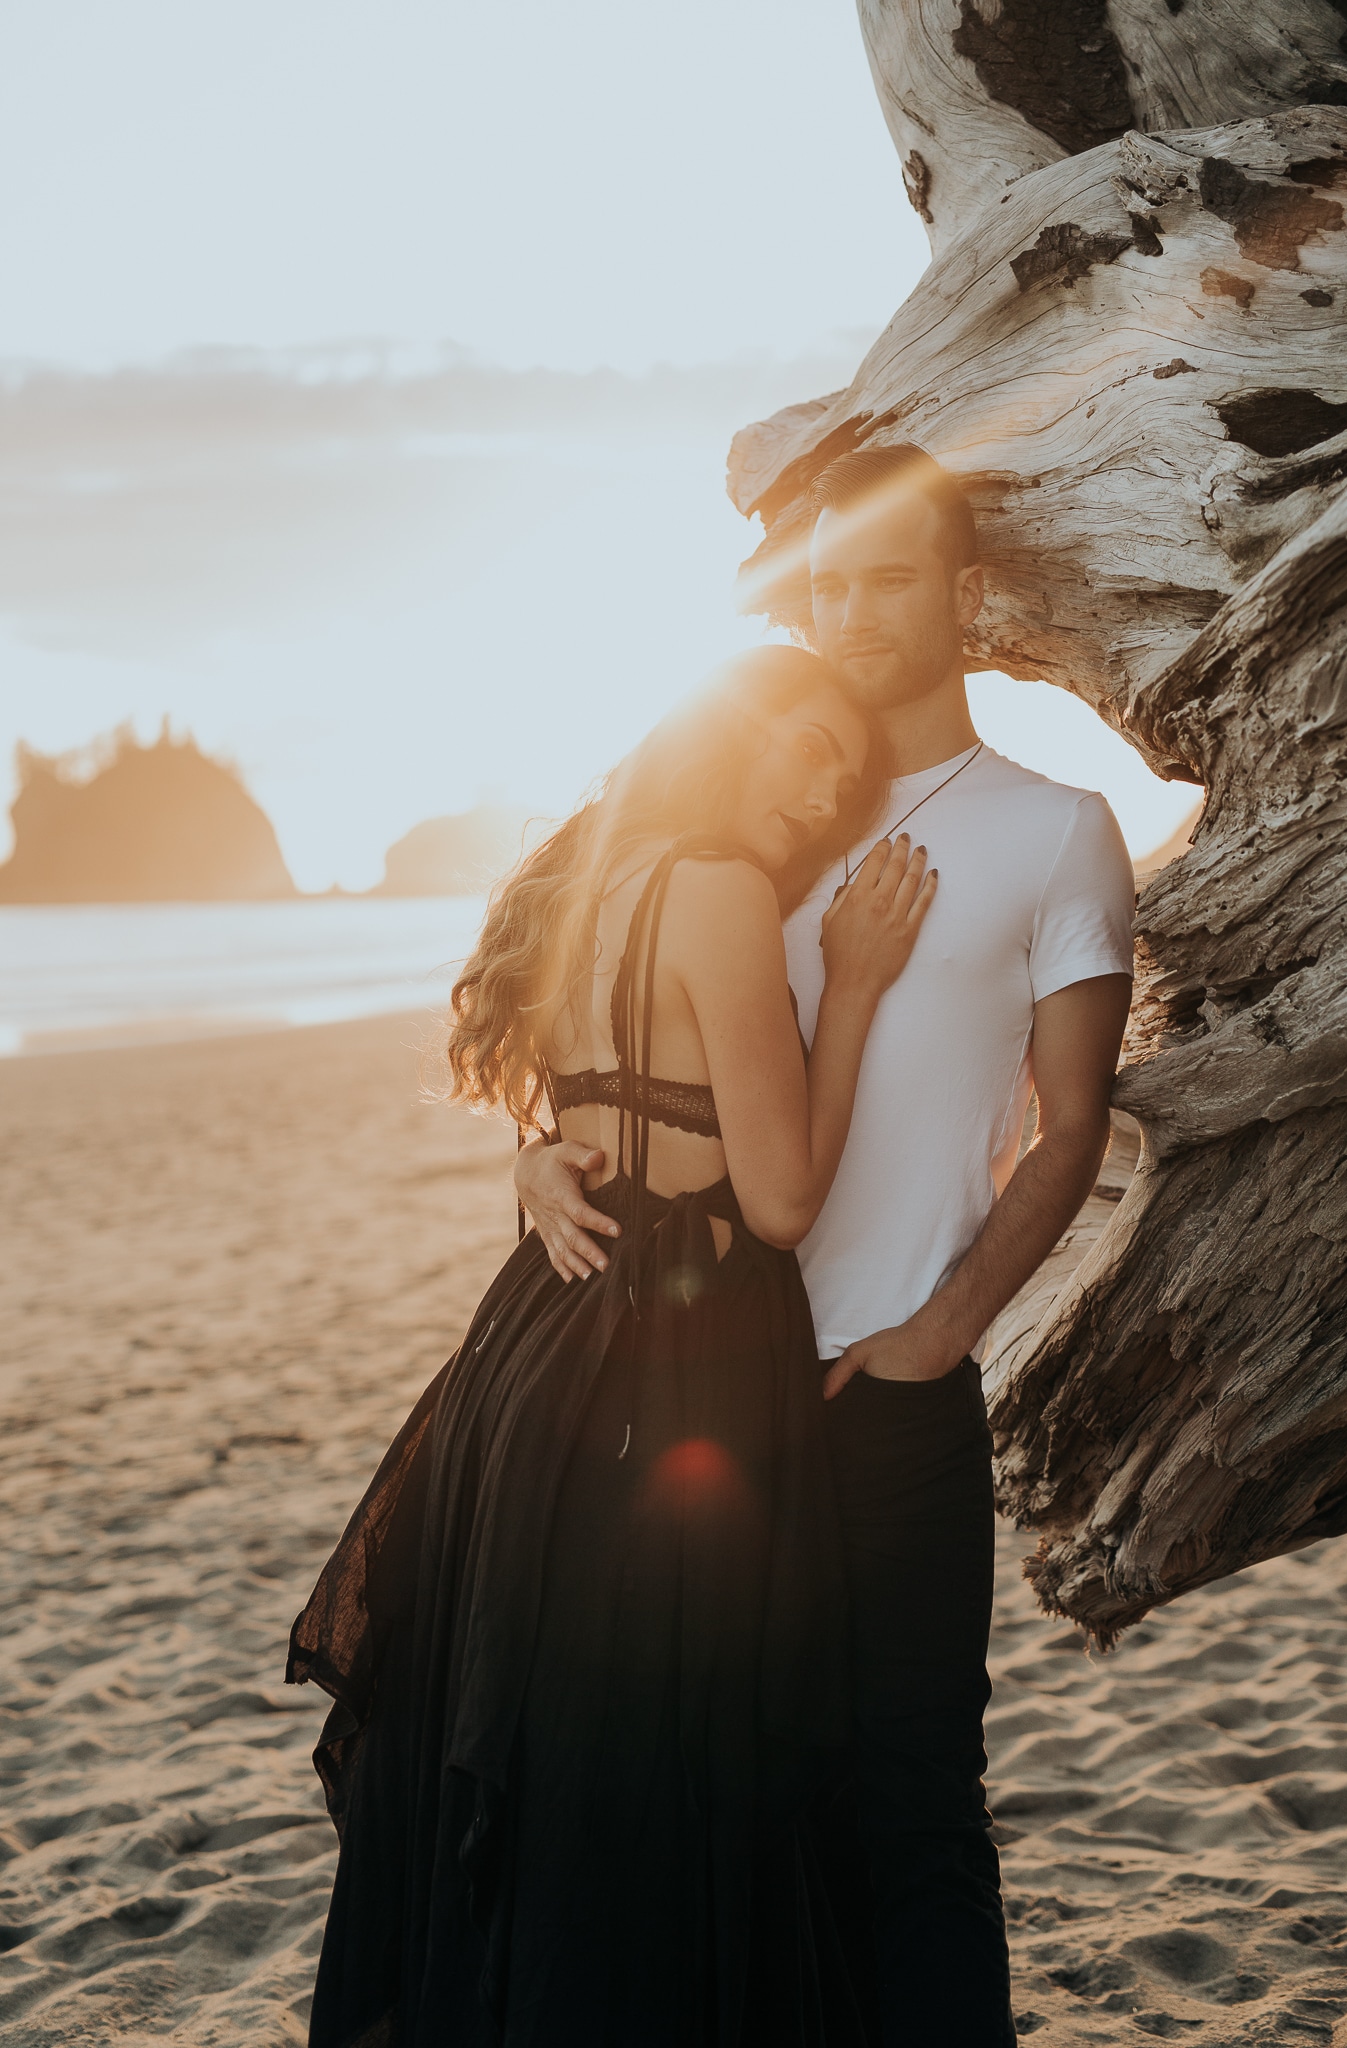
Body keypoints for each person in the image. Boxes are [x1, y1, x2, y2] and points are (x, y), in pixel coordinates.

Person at [516, 445, 1136, 2046]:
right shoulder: (767, 822)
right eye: (828, 586)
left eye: (886, 579)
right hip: (690, 1385)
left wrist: (947, 1330)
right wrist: (539, 1156)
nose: (853, 614)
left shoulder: (1055, 831)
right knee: (716, 1808)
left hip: (883, 1383)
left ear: (962, 596)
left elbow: (1070, 1125)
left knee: (911, 1797)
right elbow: (627, 1052)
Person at [287, 643, 942, 2047]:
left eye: (847, 770)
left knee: (541, 1726)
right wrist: (861, 979)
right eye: (804, 746)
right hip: (671, 1359)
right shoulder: (717, 891)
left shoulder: (590, 889)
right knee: (674, 1744)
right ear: (725, 735)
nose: (826, 786)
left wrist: (533, 1160)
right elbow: (777, 1197)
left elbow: (574, 1126)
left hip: (528, 1350)